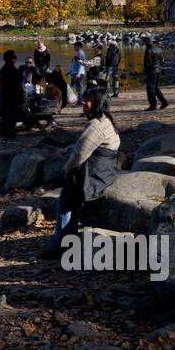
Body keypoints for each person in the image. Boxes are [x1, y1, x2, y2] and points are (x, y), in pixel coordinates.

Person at [43, 88, 120, 255]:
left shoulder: (96, 125)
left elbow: (79, 155)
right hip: (105, 170)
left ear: (98, 103)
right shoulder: (107, 120)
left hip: (94, 174)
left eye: (88, 100)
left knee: (65, 200)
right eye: (84, 99)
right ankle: (67, 239)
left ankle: (61, 245)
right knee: (68, 194)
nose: (84, 103)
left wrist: (66, 171)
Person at [0, 49, 23, 143]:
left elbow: (0, 82)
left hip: (5, 97)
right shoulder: (11, 69)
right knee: (12, 117)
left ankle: (8, 137)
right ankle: (10, 137)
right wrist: (20, 72)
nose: (16, 59)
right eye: (15, 57)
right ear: (12, 59)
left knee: (8, 117)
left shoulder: (3, 69)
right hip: (12, 97)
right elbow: (18, 80)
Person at [143, 36, 168, 110]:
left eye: (145, 42)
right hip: (158, 71)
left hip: (152, 71)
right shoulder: (158, 49)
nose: (144, 43)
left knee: (150, 88)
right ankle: (164, 102)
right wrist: (162, 70)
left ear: (147, 42)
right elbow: (162, 61)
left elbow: (148, 63)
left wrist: (146, 73)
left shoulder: (148, 50)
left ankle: (153, 105)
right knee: (156, 88)